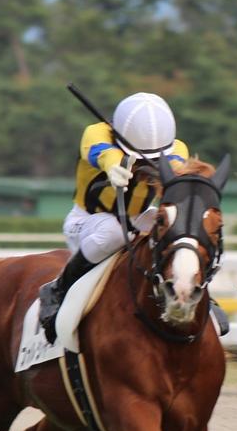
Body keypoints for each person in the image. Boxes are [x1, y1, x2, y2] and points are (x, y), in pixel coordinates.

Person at [38, 92, 190, 343]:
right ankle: (57, 288)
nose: (152, 160)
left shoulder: (177, 148)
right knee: (113, 232)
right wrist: (114, 166)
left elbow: (176, 167)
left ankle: (195, 295)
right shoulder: (95, 133)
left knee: (181, 229)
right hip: (87, 220)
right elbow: (102, 152)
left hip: (138, 219)